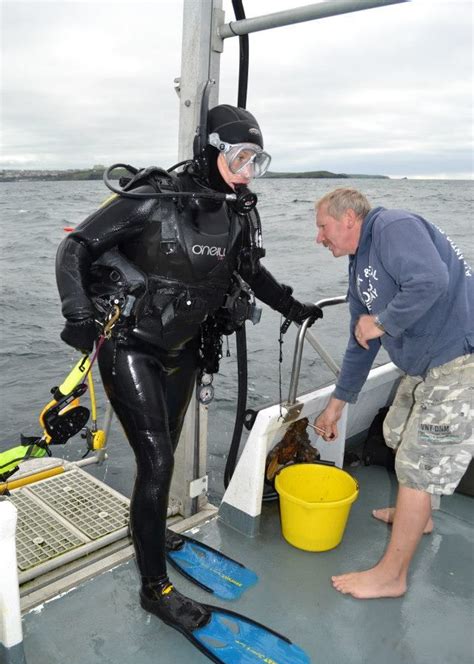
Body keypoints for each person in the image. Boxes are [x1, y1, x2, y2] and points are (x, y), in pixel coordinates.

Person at [55, 101, 323, 624]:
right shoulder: (153, 199)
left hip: (184, 352)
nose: (248, 173)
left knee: (166, 450)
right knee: (157, 461)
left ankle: (151, 527)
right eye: (241, 158)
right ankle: (154, 590)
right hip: (130, 347)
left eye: (257, 163)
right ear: (213, 148)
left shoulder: (236, 213)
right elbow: (76, 248)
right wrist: (78, 311)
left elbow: (254, 274)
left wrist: (294, 307)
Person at [313, 187, 473, 600]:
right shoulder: (358, 266)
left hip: (460, 360)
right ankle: (418, 518)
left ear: (348, 218)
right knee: (397, 431)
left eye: (322, 226)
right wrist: (334, 407)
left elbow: (431, 280)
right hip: (428, 365)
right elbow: (359, 342)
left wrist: (381, 322)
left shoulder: (392, 226)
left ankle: (391, 577)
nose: (319, 237)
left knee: (418, 464)